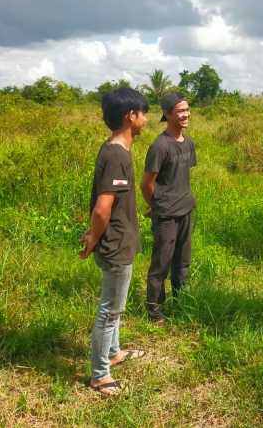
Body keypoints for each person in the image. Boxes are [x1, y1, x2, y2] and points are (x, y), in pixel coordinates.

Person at [79, 87, 149, 396]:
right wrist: (92, 238)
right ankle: (99, 374)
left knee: (115, 308)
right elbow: (102, 208)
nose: (146, 119)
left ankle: (113, 352)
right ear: (129, 116)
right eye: (143, 113)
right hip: (115, 244)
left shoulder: (115, 150)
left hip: (121, 239)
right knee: (110, 310)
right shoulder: (116, 155)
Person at [141, 92, 196, 324]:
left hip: (186, 210)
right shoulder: (160, 146)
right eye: (180, 111)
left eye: (187, 109)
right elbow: (146, 184)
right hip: (166, 215)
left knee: (182, 263)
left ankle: (181, 303)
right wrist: (156, 206)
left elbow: (182, 177)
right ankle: (154, 310)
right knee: (161, 263)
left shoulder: (189, 143)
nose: (185, 114)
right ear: (166, 114)